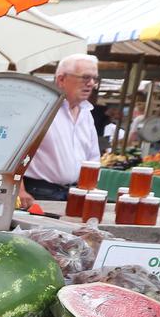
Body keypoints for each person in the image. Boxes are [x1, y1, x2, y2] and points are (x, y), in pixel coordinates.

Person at [19, 53, 101, 205]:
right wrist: (19, 190)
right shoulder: (40, 109)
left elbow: (93, 159)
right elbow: (14, 152)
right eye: (85, 77)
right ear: (61, 79)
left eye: (94, 78)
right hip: (38, 193)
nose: (91, 83)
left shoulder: (86, 114)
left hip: (76, 194)